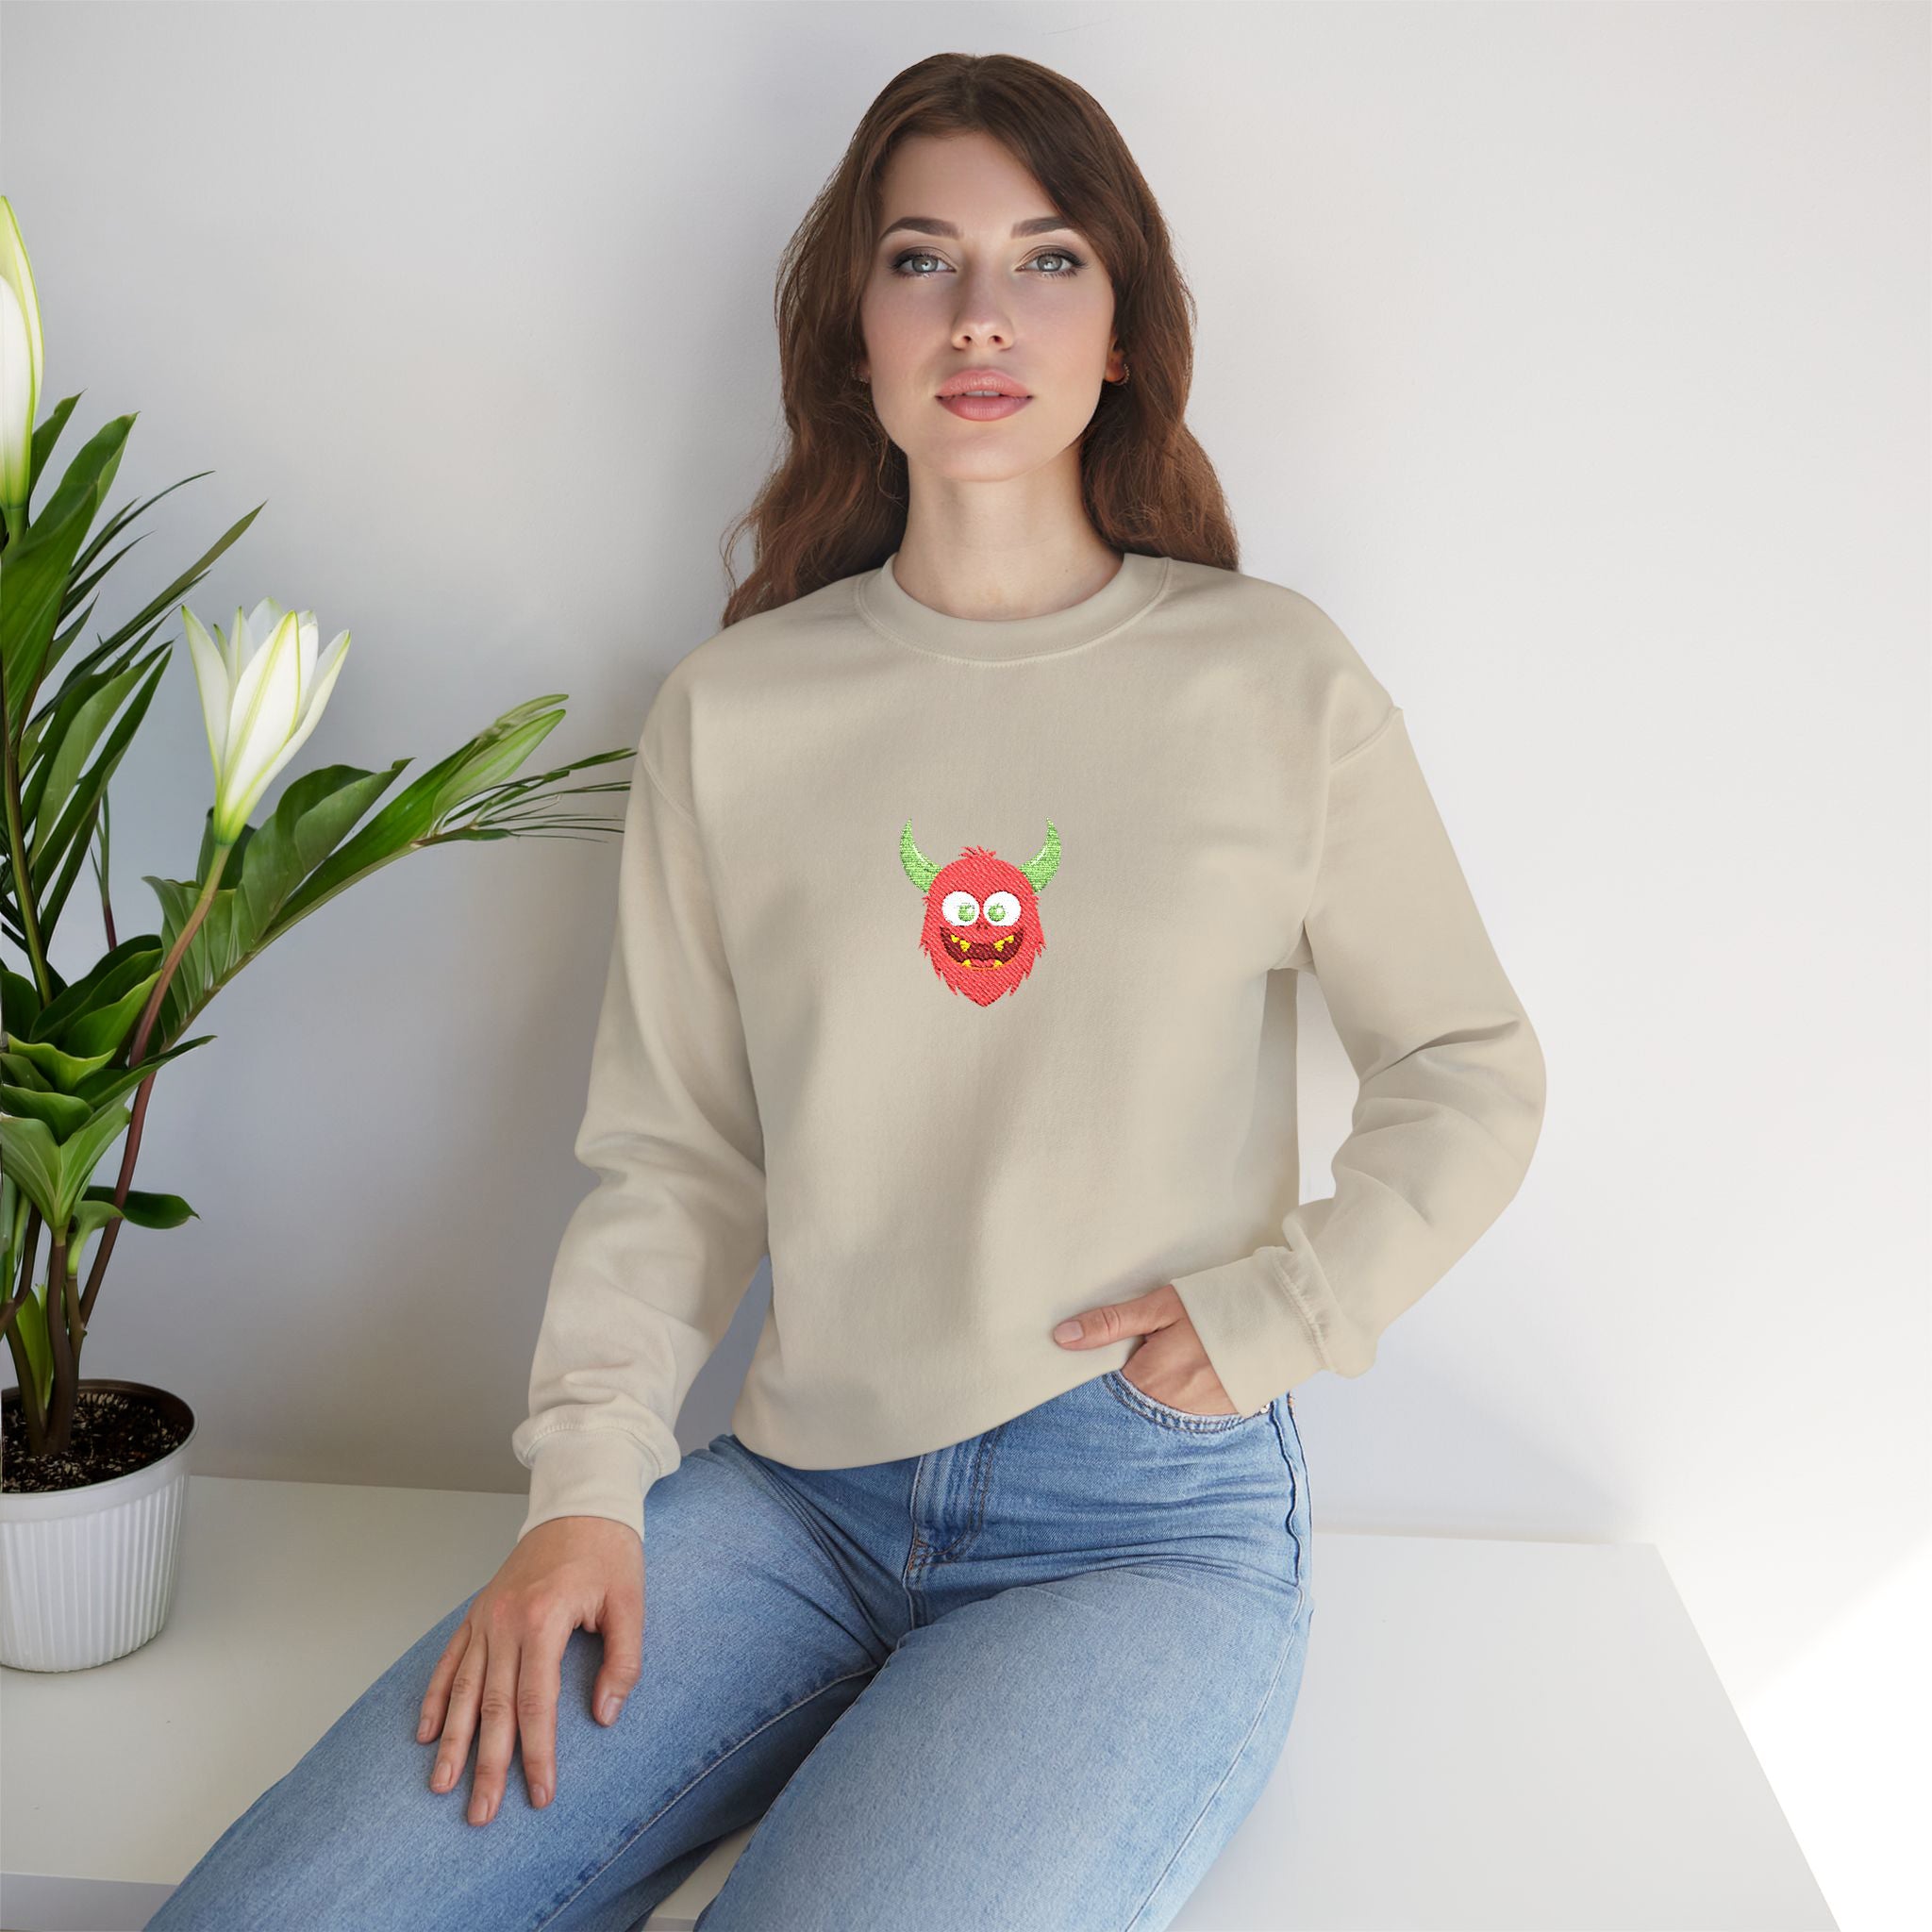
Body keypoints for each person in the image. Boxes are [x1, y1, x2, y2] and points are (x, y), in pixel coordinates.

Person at [147, 50, 1545, 1932]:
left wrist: (1291, 1299)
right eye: (921, 260)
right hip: (795, 1499)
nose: (981, 313)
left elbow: (1468, 1065)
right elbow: (677, 1160)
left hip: (1137, 1525)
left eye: (1046, 259)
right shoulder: (738, 712)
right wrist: (584, 1487)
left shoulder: (1271, 682)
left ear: (1121, 329)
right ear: (852, 333)